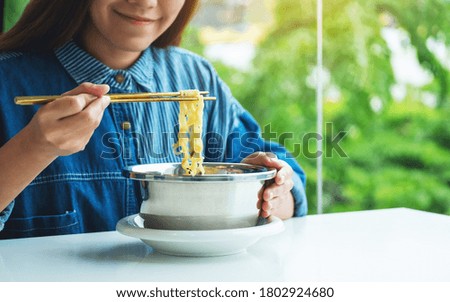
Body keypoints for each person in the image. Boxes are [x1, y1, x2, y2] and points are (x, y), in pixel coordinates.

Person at [0, 0, 307, 239]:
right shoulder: (7, 81)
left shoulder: (195, 77)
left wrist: (273, 191)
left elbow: (284, 184)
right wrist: (34, 148)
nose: (145, 2)